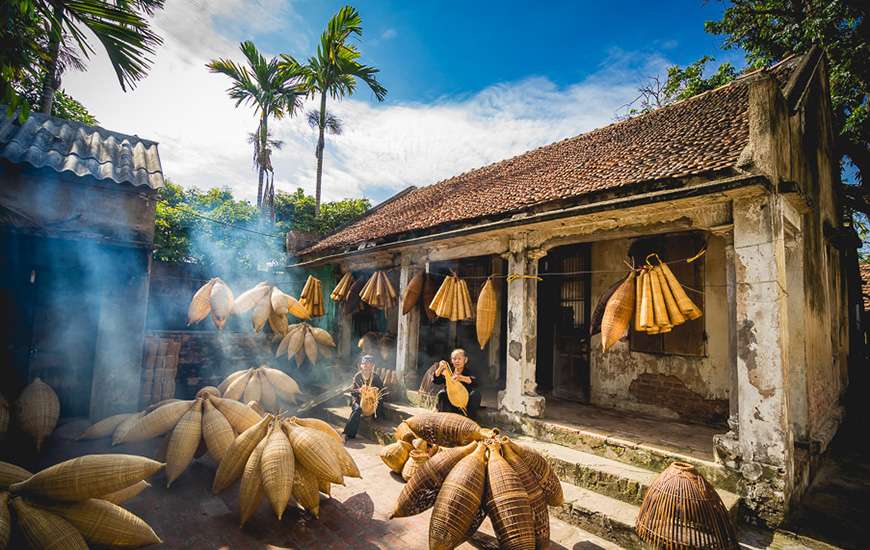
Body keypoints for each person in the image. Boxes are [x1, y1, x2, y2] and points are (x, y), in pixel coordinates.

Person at [343, 355, 384, 442]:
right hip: (358, 399)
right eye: (365, 364)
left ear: (373, 366)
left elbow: (382, 389)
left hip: (371, 401)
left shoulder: (375, 377)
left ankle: (375, 418)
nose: (367, 367)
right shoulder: (358, 376)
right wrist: (359, 390)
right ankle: (348, 433)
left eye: (369, 365)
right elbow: (353, 391)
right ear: (361, 366)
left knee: (380, 402)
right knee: (357, 409)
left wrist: (375, 390)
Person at [432, 348, 481, 418]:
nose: (457, 361)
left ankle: (469, 419)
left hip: (465, 403)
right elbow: (436, 380)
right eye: (454, 359)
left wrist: (462, 378)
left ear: (465, 360)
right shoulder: (449, 371)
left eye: (459, 359)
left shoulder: (470, 370)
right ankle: (445, 419)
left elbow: (476, 382)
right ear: (451, 360)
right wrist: (440, 368)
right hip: (451, 402)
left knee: (476, 394)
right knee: (442, 393)